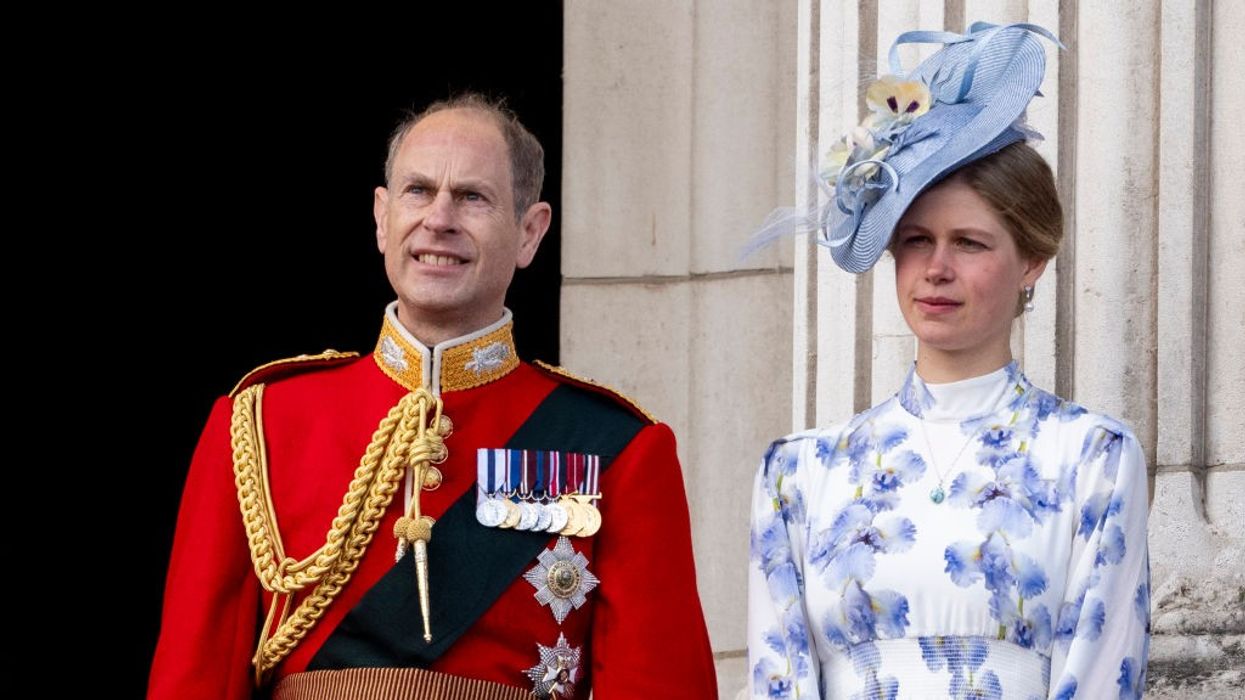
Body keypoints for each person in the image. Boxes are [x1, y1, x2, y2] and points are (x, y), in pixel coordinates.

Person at [149, 93, 718, 699]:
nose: (439, 219)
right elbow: (194, 677)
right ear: (381, 217)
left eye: (472, 197)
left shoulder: (615, 447)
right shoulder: (261, 423)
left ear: (530, 232)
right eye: (418, 191)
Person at [747, 23, 1150, 699]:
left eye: (968, 242)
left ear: (1031, 260)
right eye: (915, 240)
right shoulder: (799, 472)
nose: (935, 268)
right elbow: (777, 680)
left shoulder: (1091, 458)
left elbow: (1103, 678)